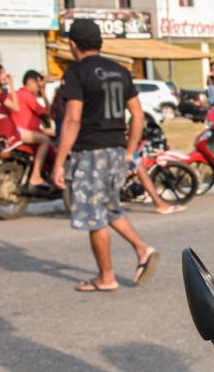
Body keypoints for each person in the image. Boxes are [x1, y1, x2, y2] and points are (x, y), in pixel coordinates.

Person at [50, 18, 159, 293]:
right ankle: (143, 249)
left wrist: (59, 161)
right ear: (99, 42)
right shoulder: (120, 71)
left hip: (90, 151)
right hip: (116, 150)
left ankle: (106, 277)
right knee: (110, 208)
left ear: (73, 44)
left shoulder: (76, 73)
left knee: (94, 216)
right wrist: (130, 150)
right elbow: (137, 114)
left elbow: (73, 120)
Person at [10, 69, 55, 188]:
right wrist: (43, 92)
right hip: (28, 135)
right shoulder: (27, 96)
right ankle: (36, 177)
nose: (39, 87)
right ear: (30, 82)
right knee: (52, 150)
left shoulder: (14, 95)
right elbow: (48, 114)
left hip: (17, 134)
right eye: (38, 84)